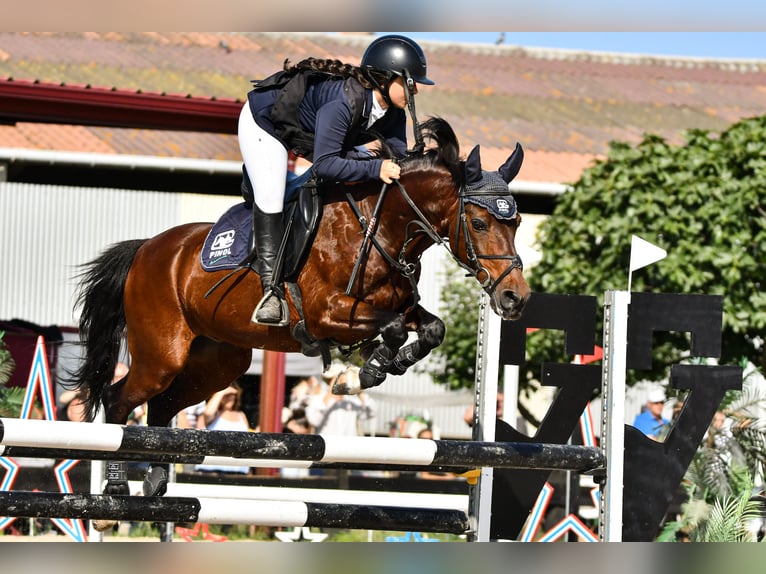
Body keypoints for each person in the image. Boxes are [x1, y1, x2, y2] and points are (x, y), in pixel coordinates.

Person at [238, 34, 435, 324]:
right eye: (410, 82)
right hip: (266, 126)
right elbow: (326, 165)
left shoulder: (394, 114)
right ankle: (271, 292)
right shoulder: (343, 102)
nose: (416, 89)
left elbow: (399, 161)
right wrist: (375, 168)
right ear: (385, 78)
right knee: (272, 195)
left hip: (318, 138)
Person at [194, 384, 252, 475]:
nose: (229, 398)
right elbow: (208, 413)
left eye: (232, 396)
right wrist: (222, 391)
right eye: (226, 396)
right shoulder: (214, 414)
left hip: (238, 470)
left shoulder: (242, 415)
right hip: (212, 469)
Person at [304, 366, 375, 437]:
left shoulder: (351, 402)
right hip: (327, 446)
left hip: (348, 446)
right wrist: (330, 393)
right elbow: (314, 421)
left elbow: (371, 413)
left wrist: (359, 391)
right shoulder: (317, 399)